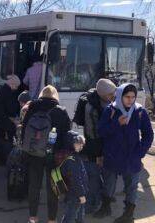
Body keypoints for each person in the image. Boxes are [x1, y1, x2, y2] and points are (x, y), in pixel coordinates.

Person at [94, 83, 154, 223]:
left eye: (133, 97)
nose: (130, 100)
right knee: (109, 184)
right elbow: (101, 131)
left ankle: (128, 214)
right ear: (120, 95)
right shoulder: (111, 110)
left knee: (132, 186)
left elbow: (148, 135)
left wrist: (140, 152)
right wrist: (116, 124)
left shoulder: (139, 112)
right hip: (112, 155)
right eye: (127, 97)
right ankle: (105, 207)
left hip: (131, 157)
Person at [21, 85, 71, 223]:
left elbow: (24, 130)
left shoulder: (32, 107)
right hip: (53, 156)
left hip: (34, 154)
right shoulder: (61, 111)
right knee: (53, 188)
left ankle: (32, 217)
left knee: (34, 186)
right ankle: (52, 219)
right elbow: (66, 135)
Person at [73, 78, 116, 214]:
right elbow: (92, 133)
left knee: (108, 175)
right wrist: (99, 154)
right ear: (102, 94)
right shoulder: (91, 107)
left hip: (106, 146)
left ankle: (105, 198)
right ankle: (93, 204)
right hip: (94, 148)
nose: (113, 97)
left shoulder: (107, 101)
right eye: (110, 94)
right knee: (94, 177)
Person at [60, 131, 89, 223]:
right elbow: (75, 179)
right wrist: (81, 195)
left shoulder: (73, 156)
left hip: (75, 193)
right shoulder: (72, 160)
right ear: (71, 144)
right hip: (75, 194)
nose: (81, 146)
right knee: (70, 217)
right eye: (78, 144)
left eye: (81, 144)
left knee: (78, 216)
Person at [0, 74, 21, 143]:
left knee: (1, 135)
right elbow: (10, 108)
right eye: (16, 86)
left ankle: (0, 149)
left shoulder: (3, 89)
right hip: (2, 118)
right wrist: (14, 118)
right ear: (12, 84)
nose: (16, 88)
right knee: (11, 132)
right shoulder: (7, 92)